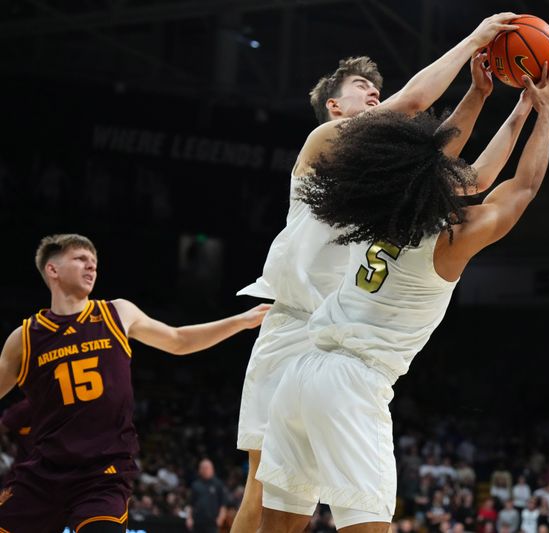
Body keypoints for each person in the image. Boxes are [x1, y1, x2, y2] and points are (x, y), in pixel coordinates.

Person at [231, 12, 522, 533]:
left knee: (302, 505)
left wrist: (479, 96)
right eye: (362, 87)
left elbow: (448, 166)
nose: (374, 93)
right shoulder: (324, 144)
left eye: (376, 88)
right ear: (334, 107)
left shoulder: (381, 180)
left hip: (336, 342)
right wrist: (474, 40)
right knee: (262, 489)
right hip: (295, 325)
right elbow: (411, 104)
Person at [0, 233, 269, 533]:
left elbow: (178, 340)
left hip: (101, 474)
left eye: (95, 263)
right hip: (43, 472)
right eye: (81, 259)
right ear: (53, 270)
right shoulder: (24, 338)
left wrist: (240, 321)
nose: (91, 267)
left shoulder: (116, 313)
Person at [187, 458, 229, 533]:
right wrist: (189, 518)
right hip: (197, 522)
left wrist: (220, 518)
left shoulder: (218, 484)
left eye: (207, 468)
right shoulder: (195, 485)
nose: (205, 470)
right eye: (203, 468)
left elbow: (223, 504)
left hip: (212, 522)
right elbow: (191, 504)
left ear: (212, 469)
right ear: (200, 470)